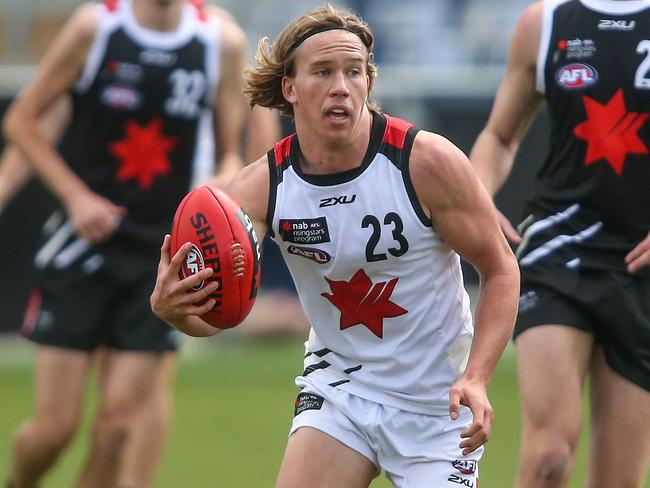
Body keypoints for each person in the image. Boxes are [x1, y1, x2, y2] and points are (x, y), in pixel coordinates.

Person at [150, 4, 520, 487]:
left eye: (354, 72)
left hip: (437, 402)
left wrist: (477, 376)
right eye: (322, 72)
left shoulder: (426, 162)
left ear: (369, 82)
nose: (340, 86)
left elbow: (500, 270)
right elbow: (214, 316)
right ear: (289, 88)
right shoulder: (261, 189)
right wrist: (175, 312)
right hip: (340, 389)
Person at [2, 0, 249, 486]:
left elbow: (229, 152)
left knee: (117, 427)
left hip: (161, 258)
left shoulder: (218, 40)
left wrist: (216, 196)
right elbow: (22, 122)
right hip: (82, 246)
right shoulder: (97, 26)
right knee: (53, 431)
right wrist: (76, 199)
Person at [469, 1, 650, 486]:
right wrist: (476, 201)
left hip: (641, 273)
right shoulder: (544, 23)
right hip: (556, 251)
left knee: (620, 480)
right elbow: (500, 137)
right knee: (549, 456)